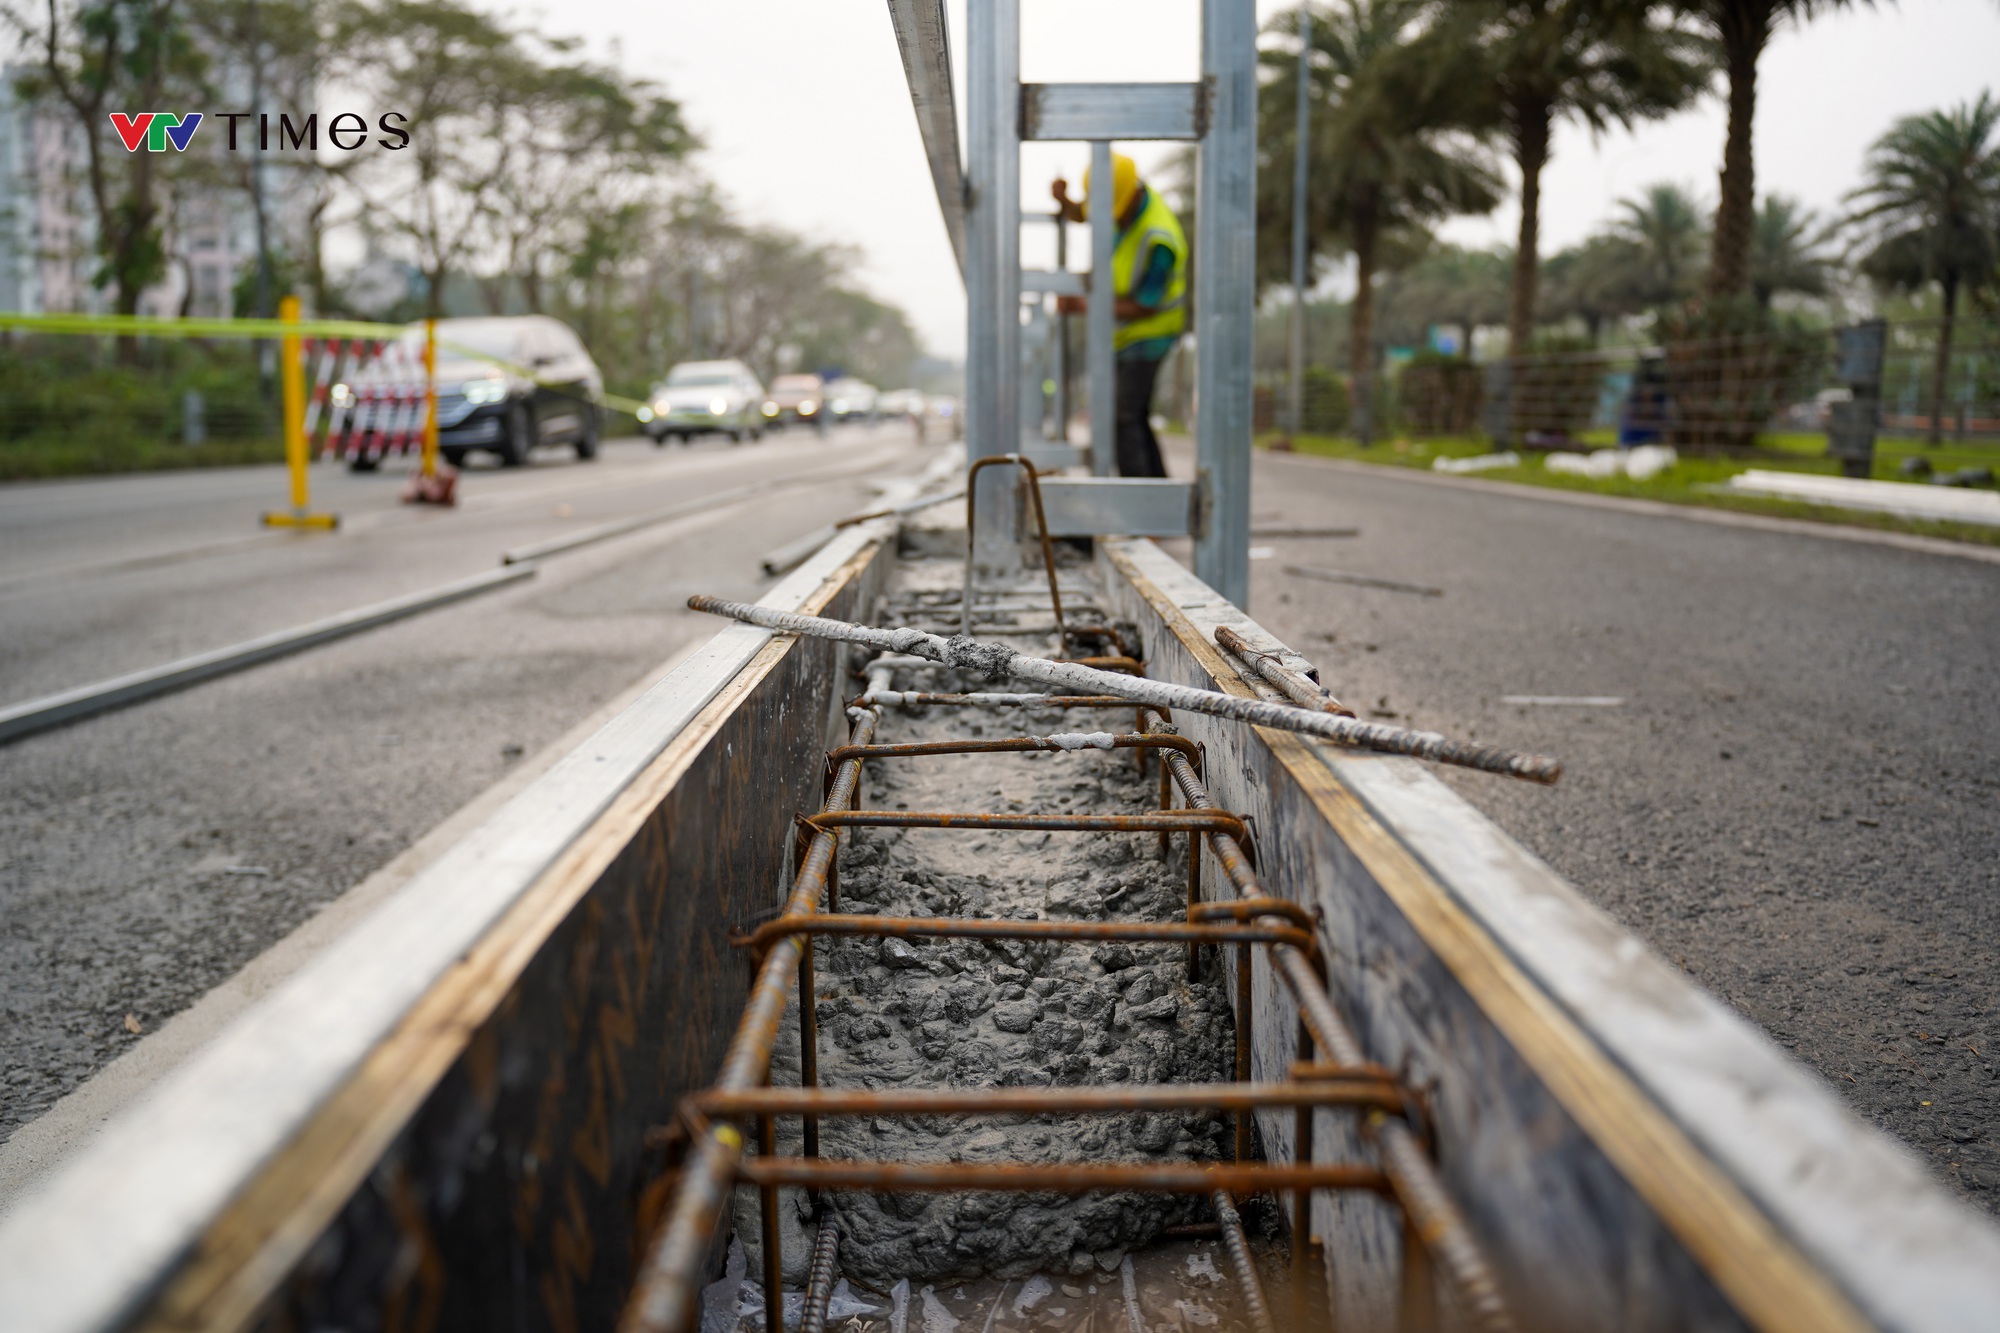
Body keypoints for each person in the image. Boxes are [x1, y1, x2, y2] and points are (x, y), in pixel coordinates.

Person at [1051, 153, 1187, 478]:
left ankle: (1138, 508)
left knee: (1122, 417)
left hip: (1152, 334)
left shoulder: (1159, 239)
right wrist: (1064, 201)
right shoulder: (1120, 199)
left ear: (1131, 197)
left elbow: (1146, 304)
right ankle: (1158, 497)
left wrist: (1083, 304)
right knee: (1134, 416)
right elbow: (1084, 214)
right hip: (1125, 334)